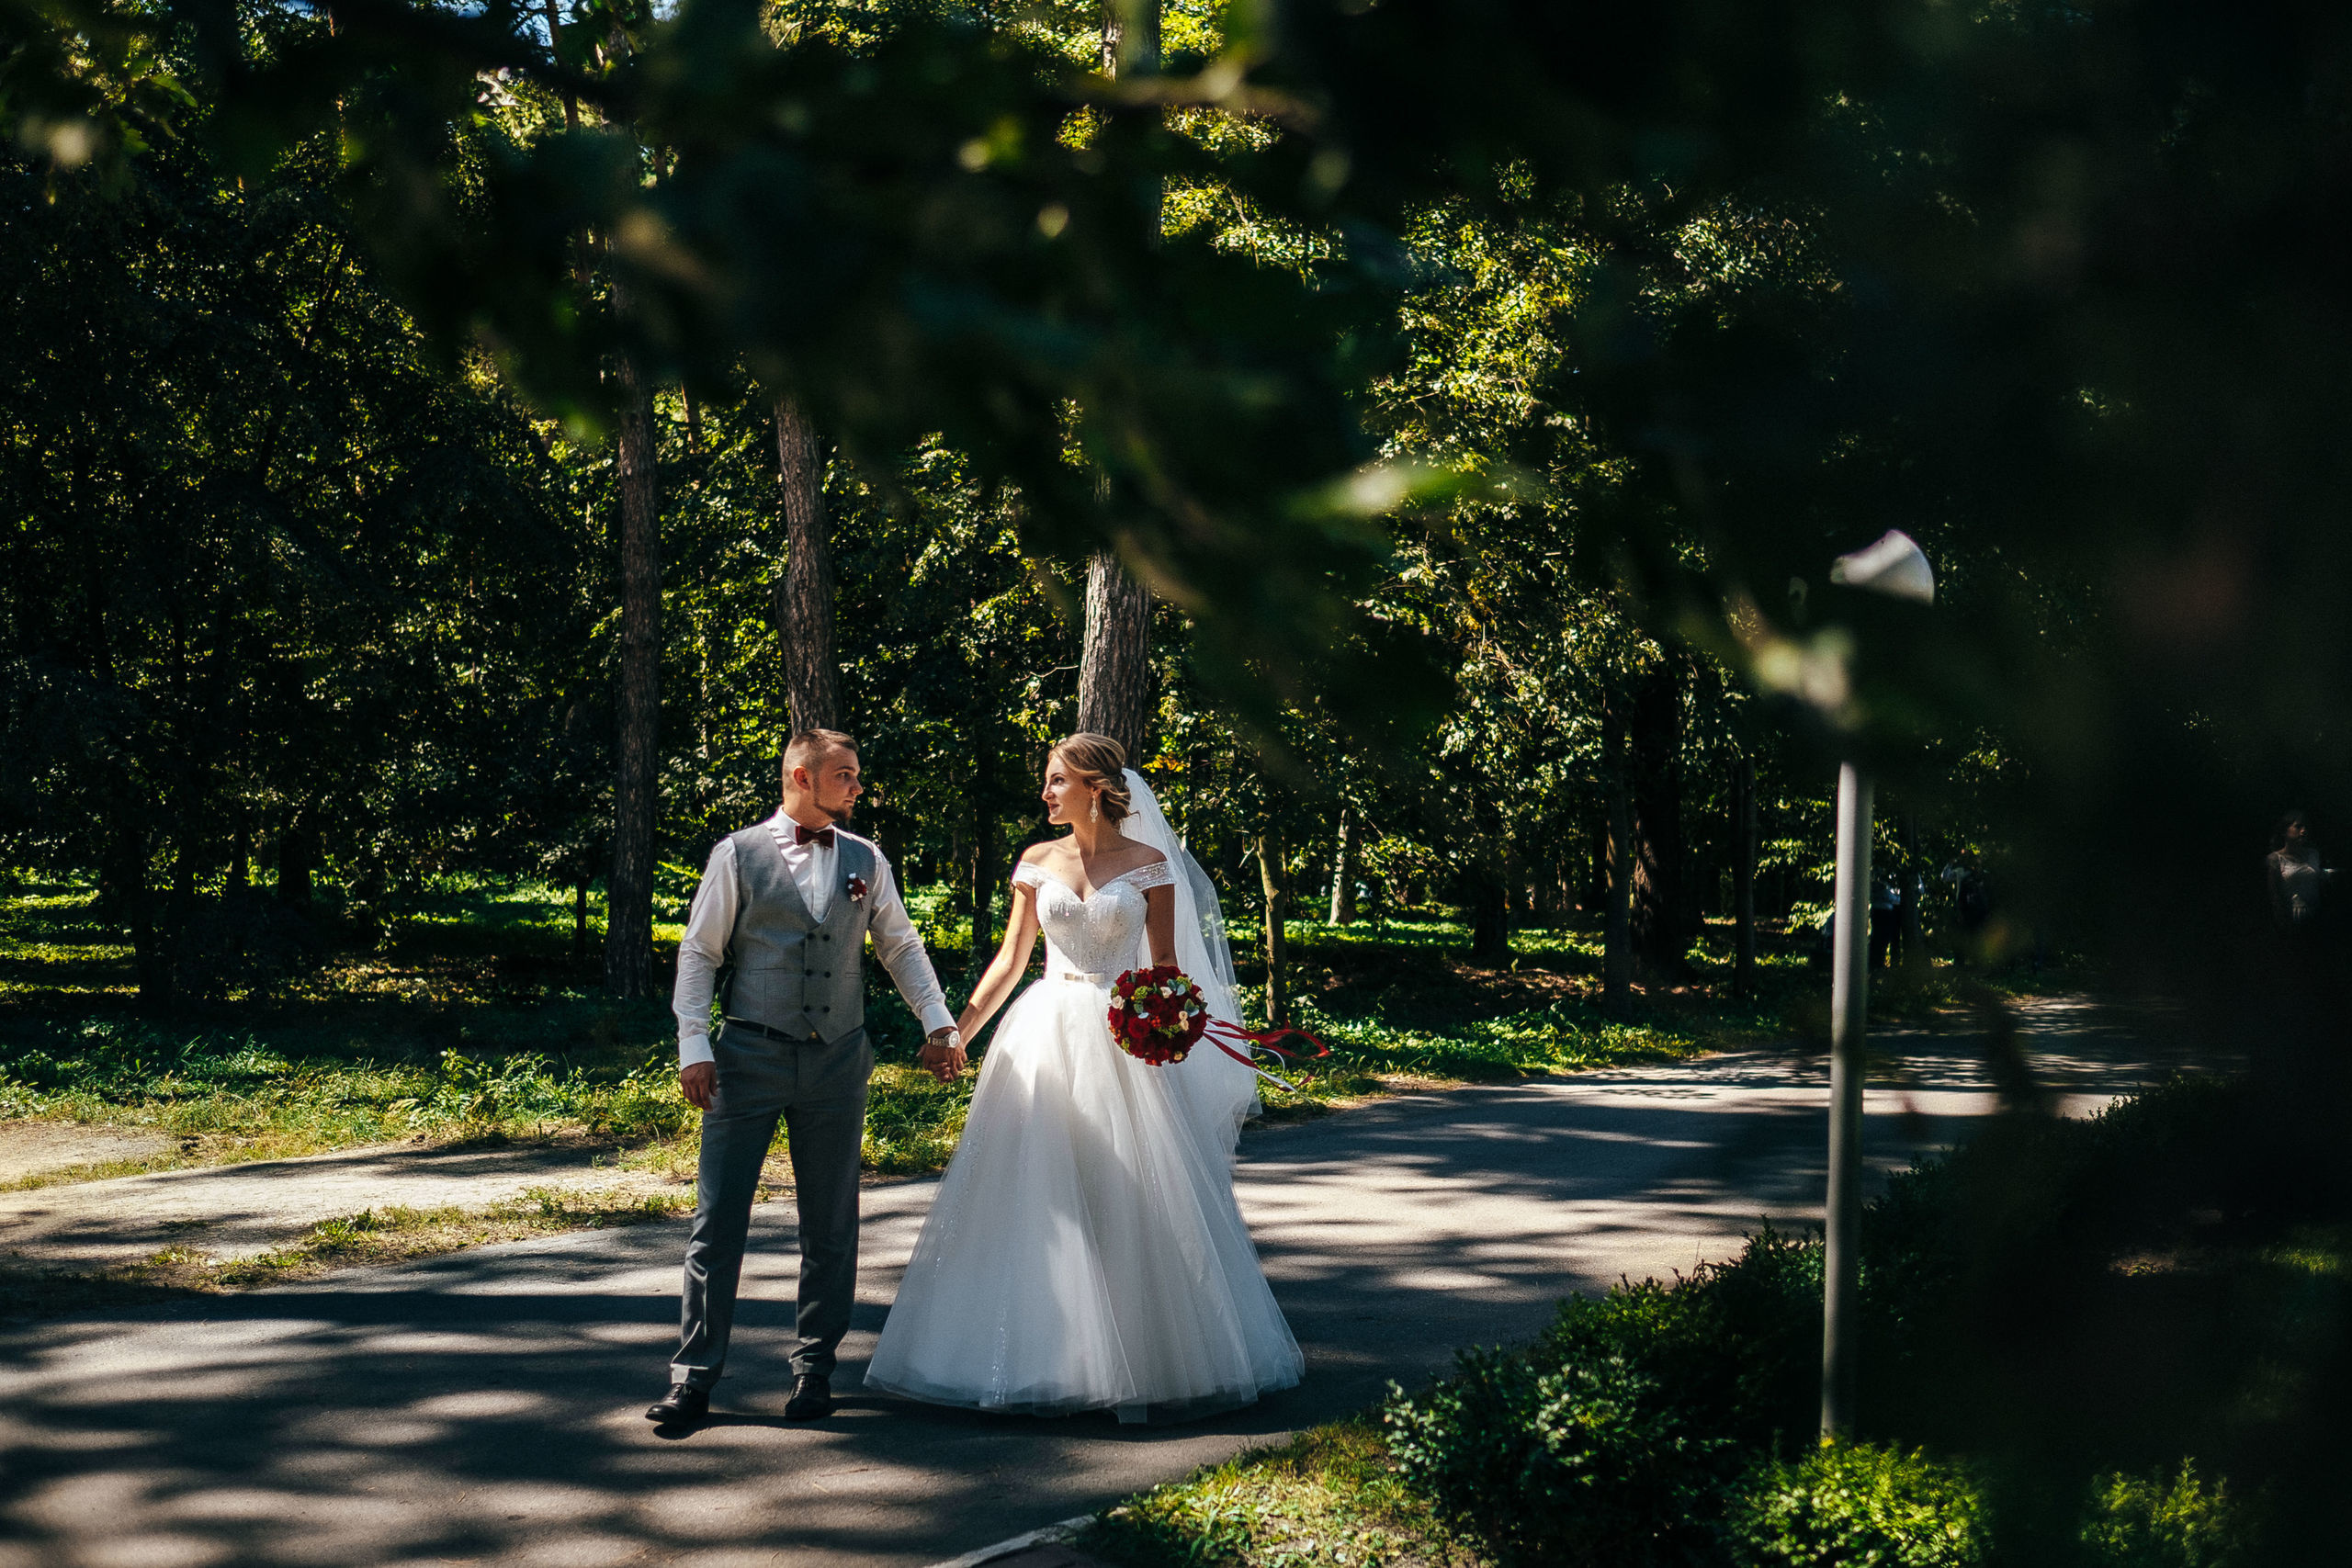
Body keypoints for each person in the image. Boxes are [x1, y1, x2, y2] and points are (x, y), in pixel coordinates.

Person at [865, 733, 1304, 1423]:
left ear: (1095, 787)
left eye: (1055, 781)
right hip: (1044, 1035)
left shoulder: (1150, 865)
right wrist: (956, 1034)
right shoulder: (1037, 862)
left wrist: (1166, 1020)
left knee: (1130, 1196)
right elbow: (1012, 962)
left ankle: (1143, 1354)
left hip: (1124, 1040)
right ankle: (1038, 1355)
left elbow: (1165, 968)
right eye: (1046, 781)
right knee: (1033, 1190)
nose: (1045, 793)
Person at [645, 728, 966, 1427]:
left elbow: (900, 945)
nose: (857, 787)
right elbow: (700, 953)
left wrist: (938, 1023)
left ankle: (814, 1368)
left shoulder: (866, 858)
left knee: (830, 1220)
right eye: (845, 775)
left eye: (856, 775)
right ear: (801, 776)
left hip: (838, 1059)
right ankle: (694, 1378)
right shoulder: (737, 854)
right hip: (747, 1057)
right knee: (717, 1220)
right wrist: (692, 1043)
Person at [2267, 810, 2329, 931]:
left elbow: (2320, 882)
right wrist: (2281, 919)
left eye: (2305, 827)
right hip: (2292, 917)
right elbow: (2273, 893)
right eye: (2298, 826)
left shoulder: (2313, 854)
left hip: (2316, 915)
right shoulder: (2275, 859)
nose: (2303, 830)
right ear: (2285, 831)